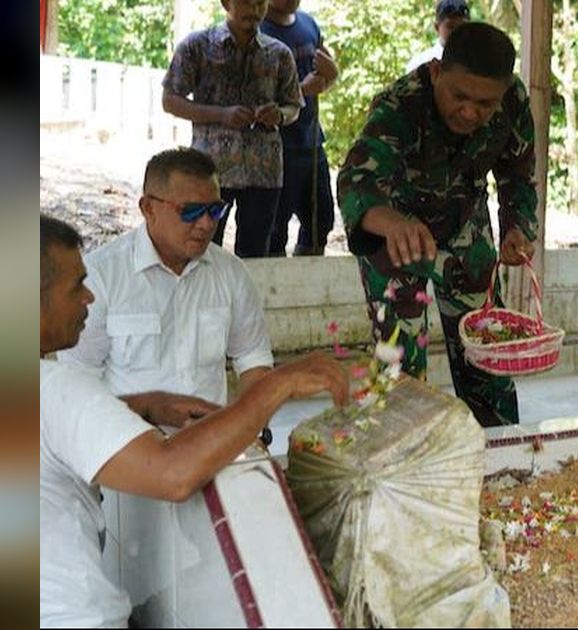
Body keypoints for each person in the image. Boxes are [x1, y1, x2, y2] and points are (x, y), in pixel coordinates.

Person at [39, 214, 348, 628]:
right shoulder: (56, 388)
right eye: (76, 285)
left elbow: (54, 435)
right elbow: (172, 474)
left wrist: (143, 405)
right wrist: (278, 386)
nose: (88, 298)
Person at [338, 22, 537, 427]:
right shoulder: (400, 105)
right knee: (400, 365)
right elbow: (356, 181)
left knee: (485, 347)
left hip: (465, 224)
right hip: (395, 234)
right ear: (435, 72)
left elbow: (517, 174)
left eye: (485, 104)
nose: (469, 112)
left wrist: (517, 227)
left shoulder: (514, 100)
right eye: (459, 96)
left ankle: (500, 449)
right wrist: (392, 222)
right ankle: (410, 463)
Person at [57, 148, 275, 406]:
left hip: (212, 441)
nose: (206, 224)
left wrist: (248, 428)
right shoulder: (100, 277)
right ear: (148, 208)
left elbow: (253, 358)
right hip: (124, 440)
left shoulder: (231, 272)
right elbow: (77, 382)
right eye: (191, 211)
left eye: (215, 210)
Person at [162, 0, 303, 258]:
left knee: (255, 256)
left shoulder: (279, 53)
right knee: (201, 251)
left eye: (260, 2)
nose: (254, 9)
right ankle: (202, 300)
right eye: (246, 2)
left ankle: (245, 300)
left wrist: (279, 115)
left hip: (265, 171)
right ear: (226, 3)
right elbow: (170, 100)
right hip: (210, 172)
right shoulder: (197, 46)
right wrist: (221, 115)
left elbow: (294, 106)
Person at [261, 0, 340, 256]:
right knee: (274, 229)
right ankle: (275, 291)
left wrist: (331, 74)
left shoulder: (308, 24)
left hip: (311, 141)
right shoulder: (258, 31)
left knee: (321, 221)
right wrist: (303, 89)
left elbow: (325, 76)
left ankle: (310, 285)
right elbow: (256, 98)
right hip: (275, 146)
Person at [406, 0, 471, 73]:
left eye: (462, 26)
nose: (457, 31)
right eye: (450, 26)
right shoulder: (420, 64)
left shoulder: (477, 62)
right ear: (437, 27)